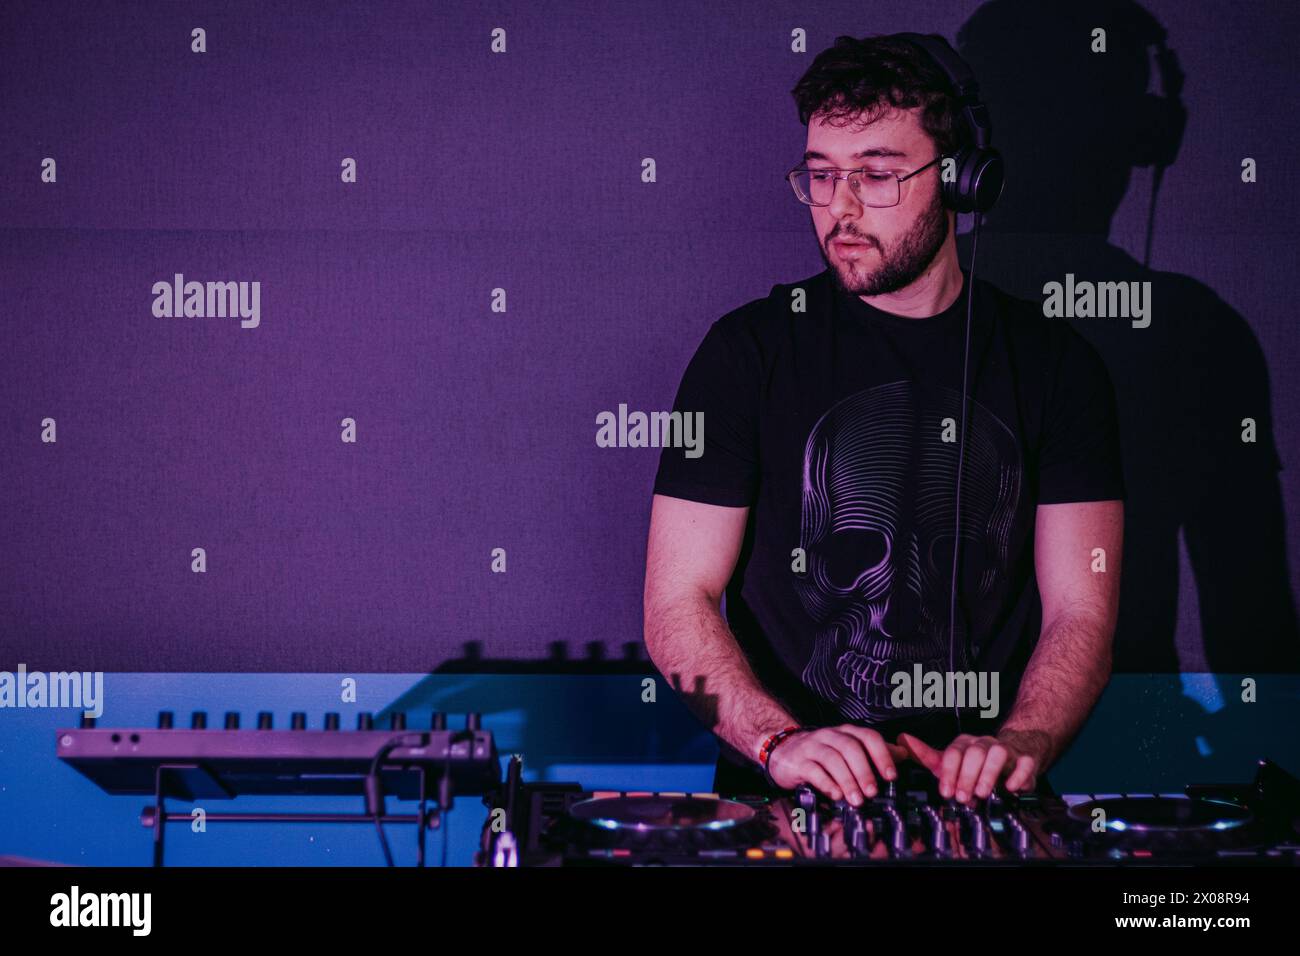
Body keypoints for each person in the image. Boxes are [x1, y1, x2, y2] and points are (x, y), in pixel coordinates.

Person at [643, 33, 1125, 807]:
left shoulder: (1057, 364)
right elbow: (677, 604)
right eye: (822, 176)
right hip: (781, 797)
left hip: (984, 803)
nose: (840, 208)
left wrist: (1022, 741)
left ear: (963, 181)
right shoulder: (747, 353)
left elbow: (1082, 608)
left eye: (876, 175)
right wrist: (779, 741)